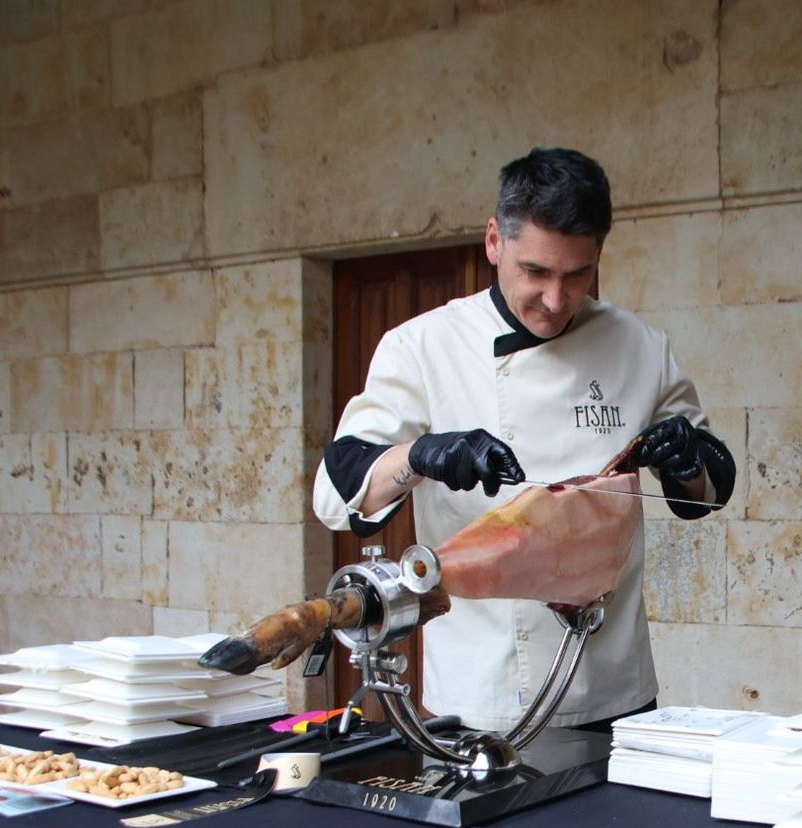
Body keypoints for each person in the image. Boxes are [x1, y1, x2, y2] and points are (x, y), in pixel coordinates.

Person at [312, 147, 735, 733]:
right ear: (494, 242)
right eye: (536, 272)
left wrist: (688, 459)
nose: (556, 300)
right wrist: (421, 456)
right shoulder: (422, 347)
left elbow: (707, 491)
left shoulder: (641, 346)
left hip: (616, 691)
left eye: (576, 275)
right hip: (474, 696)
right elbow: (338, 495)